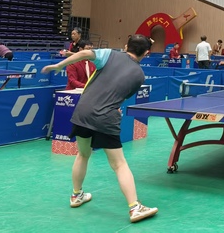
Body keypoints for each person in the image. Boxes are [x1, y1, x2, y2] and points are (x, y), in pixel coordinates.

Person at [41, 35, 158, 224]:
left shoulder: (109, 54)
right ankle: (135, 207)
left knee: (82, 154)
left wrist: (59, 65)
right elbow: (121, 96)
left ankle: (76, 195)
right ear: (146, 53)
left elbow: (85, 54)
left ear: (126, 46)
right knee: (119, 164)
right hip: (106, 118)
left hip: (83, 112)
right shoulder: (139, 76)